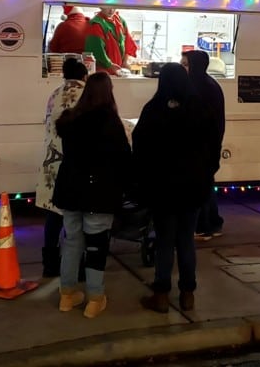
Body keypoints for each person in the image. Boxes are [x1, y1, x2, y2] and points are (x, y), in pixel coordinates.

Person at [133, 63, 219, 313]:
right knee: (186, 241)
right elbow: (213, 150)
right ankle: (187, 294)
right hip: (192, 189)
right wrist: (205, 176)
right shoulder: (201, 109)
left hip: (162, 190)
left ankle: (161, 294)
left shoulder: (153, 110)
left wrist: (143, 181)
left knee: (164, 241)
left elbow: (140, 150)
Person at [51, 72, 132, 318]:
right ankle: (95, 299)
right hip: (98, 193)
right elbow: (124, 160)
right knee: (96, 246)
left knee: (72, 241)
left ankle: (67, 295)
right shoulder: (110, 123)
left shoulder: (71, 120)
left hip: (70, 190)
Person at [37, 56, 88, 278]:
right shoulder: (86, 94)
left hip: (52, 162)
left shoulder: (55, 94)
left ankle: (49, 264)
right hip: (75, 163)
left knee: (54, 215)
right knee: (78, 218)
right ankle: (78, 266)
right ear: (85, 76)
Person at [181, 50, 226, 241]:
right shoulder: (204, 84)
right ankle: (212, 223)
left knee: (202, 186)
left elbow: (204, 120)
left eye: (185, 64)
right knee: (206, 184)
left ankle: (204, 226)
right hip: (205, 145)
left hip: (204, 146)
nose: (182, 68)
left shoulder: (203, 88)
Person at [84, 7, 138, 76]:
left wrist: (125, 61)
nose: (111, 10)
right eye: (108, 7)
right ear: (101, 6)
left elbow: (127, 41)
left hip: (119, 70)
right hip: (103, 73)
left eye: (114, 7)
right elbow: (97, 51)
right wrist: (109, 65)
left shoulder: (120, 21)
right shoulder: (96, 24)